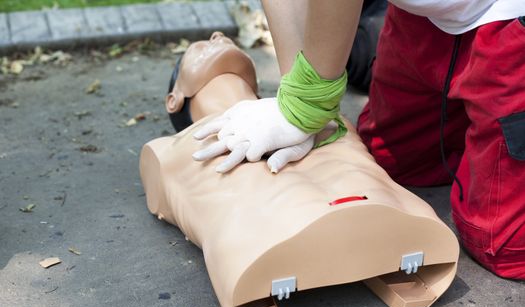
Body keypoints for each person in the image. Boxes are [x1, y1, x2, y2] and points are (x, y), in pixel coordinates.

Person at [189, 1, 525, 280]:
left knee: (505, 247)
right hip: (429, 17)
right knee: (394, 159)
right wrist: (302, 105)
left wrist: (305, 105)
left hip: (510, 18)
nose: (215, 40)